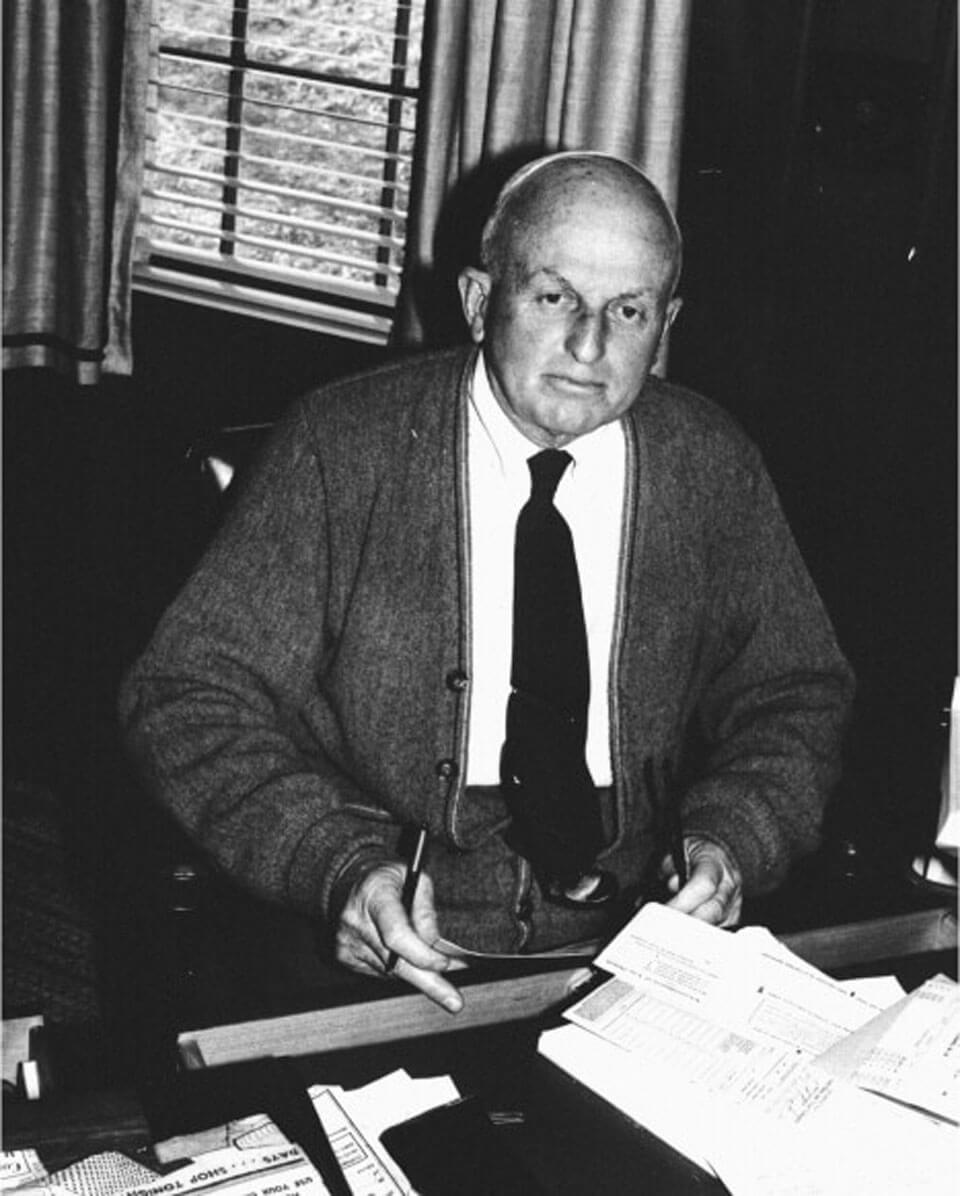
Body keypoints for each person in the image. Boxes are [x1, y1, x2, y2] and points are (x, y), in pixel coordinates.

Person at [119, 152, 854, 1014]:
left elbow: (796, 690)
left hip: (641, 944)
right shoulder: (343, 447)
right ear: (479, 300)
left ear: (667, 324)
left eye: (628, 309)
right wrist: (337, 863)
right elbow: (186, 693)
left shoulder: (710, 463)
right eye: (554, 298)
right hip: (381, 938)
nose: (590, 344)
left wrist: (734, 840)